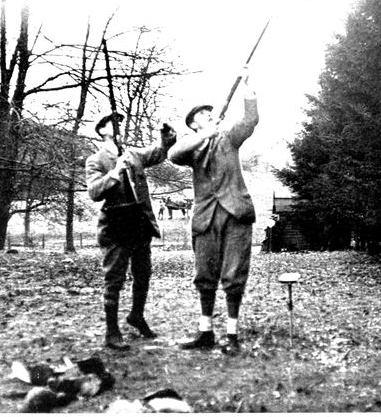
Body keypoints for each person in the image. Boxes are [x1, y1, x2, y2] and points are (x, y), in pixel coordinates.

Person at [167, 68, 259, 356]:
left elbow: (250, 121)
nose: (209, 114)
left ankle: (232, 335)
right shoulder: (192, 147)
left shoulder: (228, 138)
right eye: (203, 114)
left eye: (210, 112)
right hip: (205, 217)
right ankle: (205, 332)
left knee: (234, 275)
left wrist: (248, 89)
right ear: (193, 123)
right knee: (204, 275)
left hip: (235, 214)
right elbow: (173, 154)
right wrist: (206, 135)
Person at [85, 113, 176, 350]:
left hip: (139, 224)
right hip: (115, 226)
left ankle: (136, 315)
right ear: (102, 130)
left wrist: (165, 138)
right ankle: (112, 331)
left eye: (120, 123)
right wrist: (114, 173)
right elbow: (94, 192)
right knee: (114, 278)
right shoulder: (95, 160)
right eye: (113, 124)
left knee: (143, 274)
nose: (118, 127)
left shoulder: (133, 154)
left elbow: (157, 152)